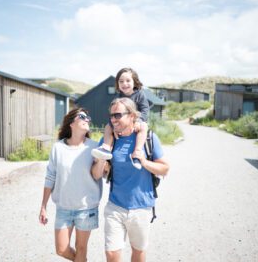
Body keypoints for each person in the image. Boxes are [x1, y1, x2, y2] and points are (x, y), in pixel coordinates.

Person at [91, 98, 169, 262]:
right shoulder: (108, 140)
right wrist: (102, 161)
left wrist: (144, 162)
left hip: (141, 207)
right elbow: (97, 174)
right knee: (111, 254)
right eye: (111, 116)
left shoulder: (148, 138)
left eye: (118, 115)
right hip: (115, 206)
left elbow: (165, 168)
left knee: (138, 252)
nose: (113, 119)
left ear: (132, 116)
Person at [39, 108, 102, 262]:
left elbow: (101, 173)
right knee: (61, 250)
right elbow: (50, 176)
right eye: (82, 116)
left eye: (88, 117)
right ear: (71, 123)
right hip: (64, 208)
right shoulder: (58, 148)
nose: (87, 119)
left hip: (86, 209)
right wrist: (43, 206)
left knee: (81, 248)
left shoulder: (94, 147)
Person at [91, 67, 150, 169]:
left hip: (137, 121)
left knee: (144, 127)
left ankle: (137, 152)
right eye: (121, 81)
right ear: (117, 84)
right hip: (122, 123)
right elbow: (114, 114)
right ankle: (106, 148)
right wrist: (114, 127)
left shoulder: (140, 94)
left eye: (128, 81)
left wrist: (139, 121)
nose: (124, 84)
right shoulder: (118, 98)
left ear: (134, 82)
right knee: (107, 127)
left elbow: (145, 110)